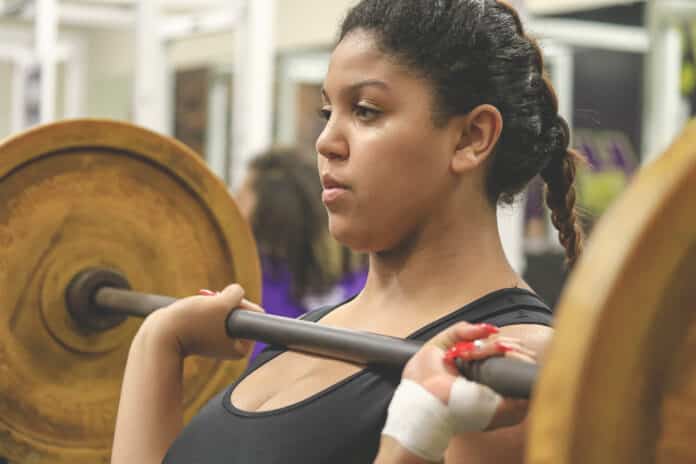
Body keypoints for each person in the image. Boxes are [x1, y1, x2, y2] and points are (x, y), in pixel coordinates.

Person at [111, 0, 584, 462]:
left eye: (366, 110)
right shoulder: (306, 331)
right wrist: (160, 343)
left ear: (471, 137)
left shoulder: (511, 364)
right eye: (327, 113)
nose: (326, 142)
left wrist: (417, 432)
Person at [235, 148, 368, 360]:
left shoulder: (248, 280)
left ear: (272, 206)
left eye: (242, 194)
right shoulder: (366, 279)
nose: (233, 202)